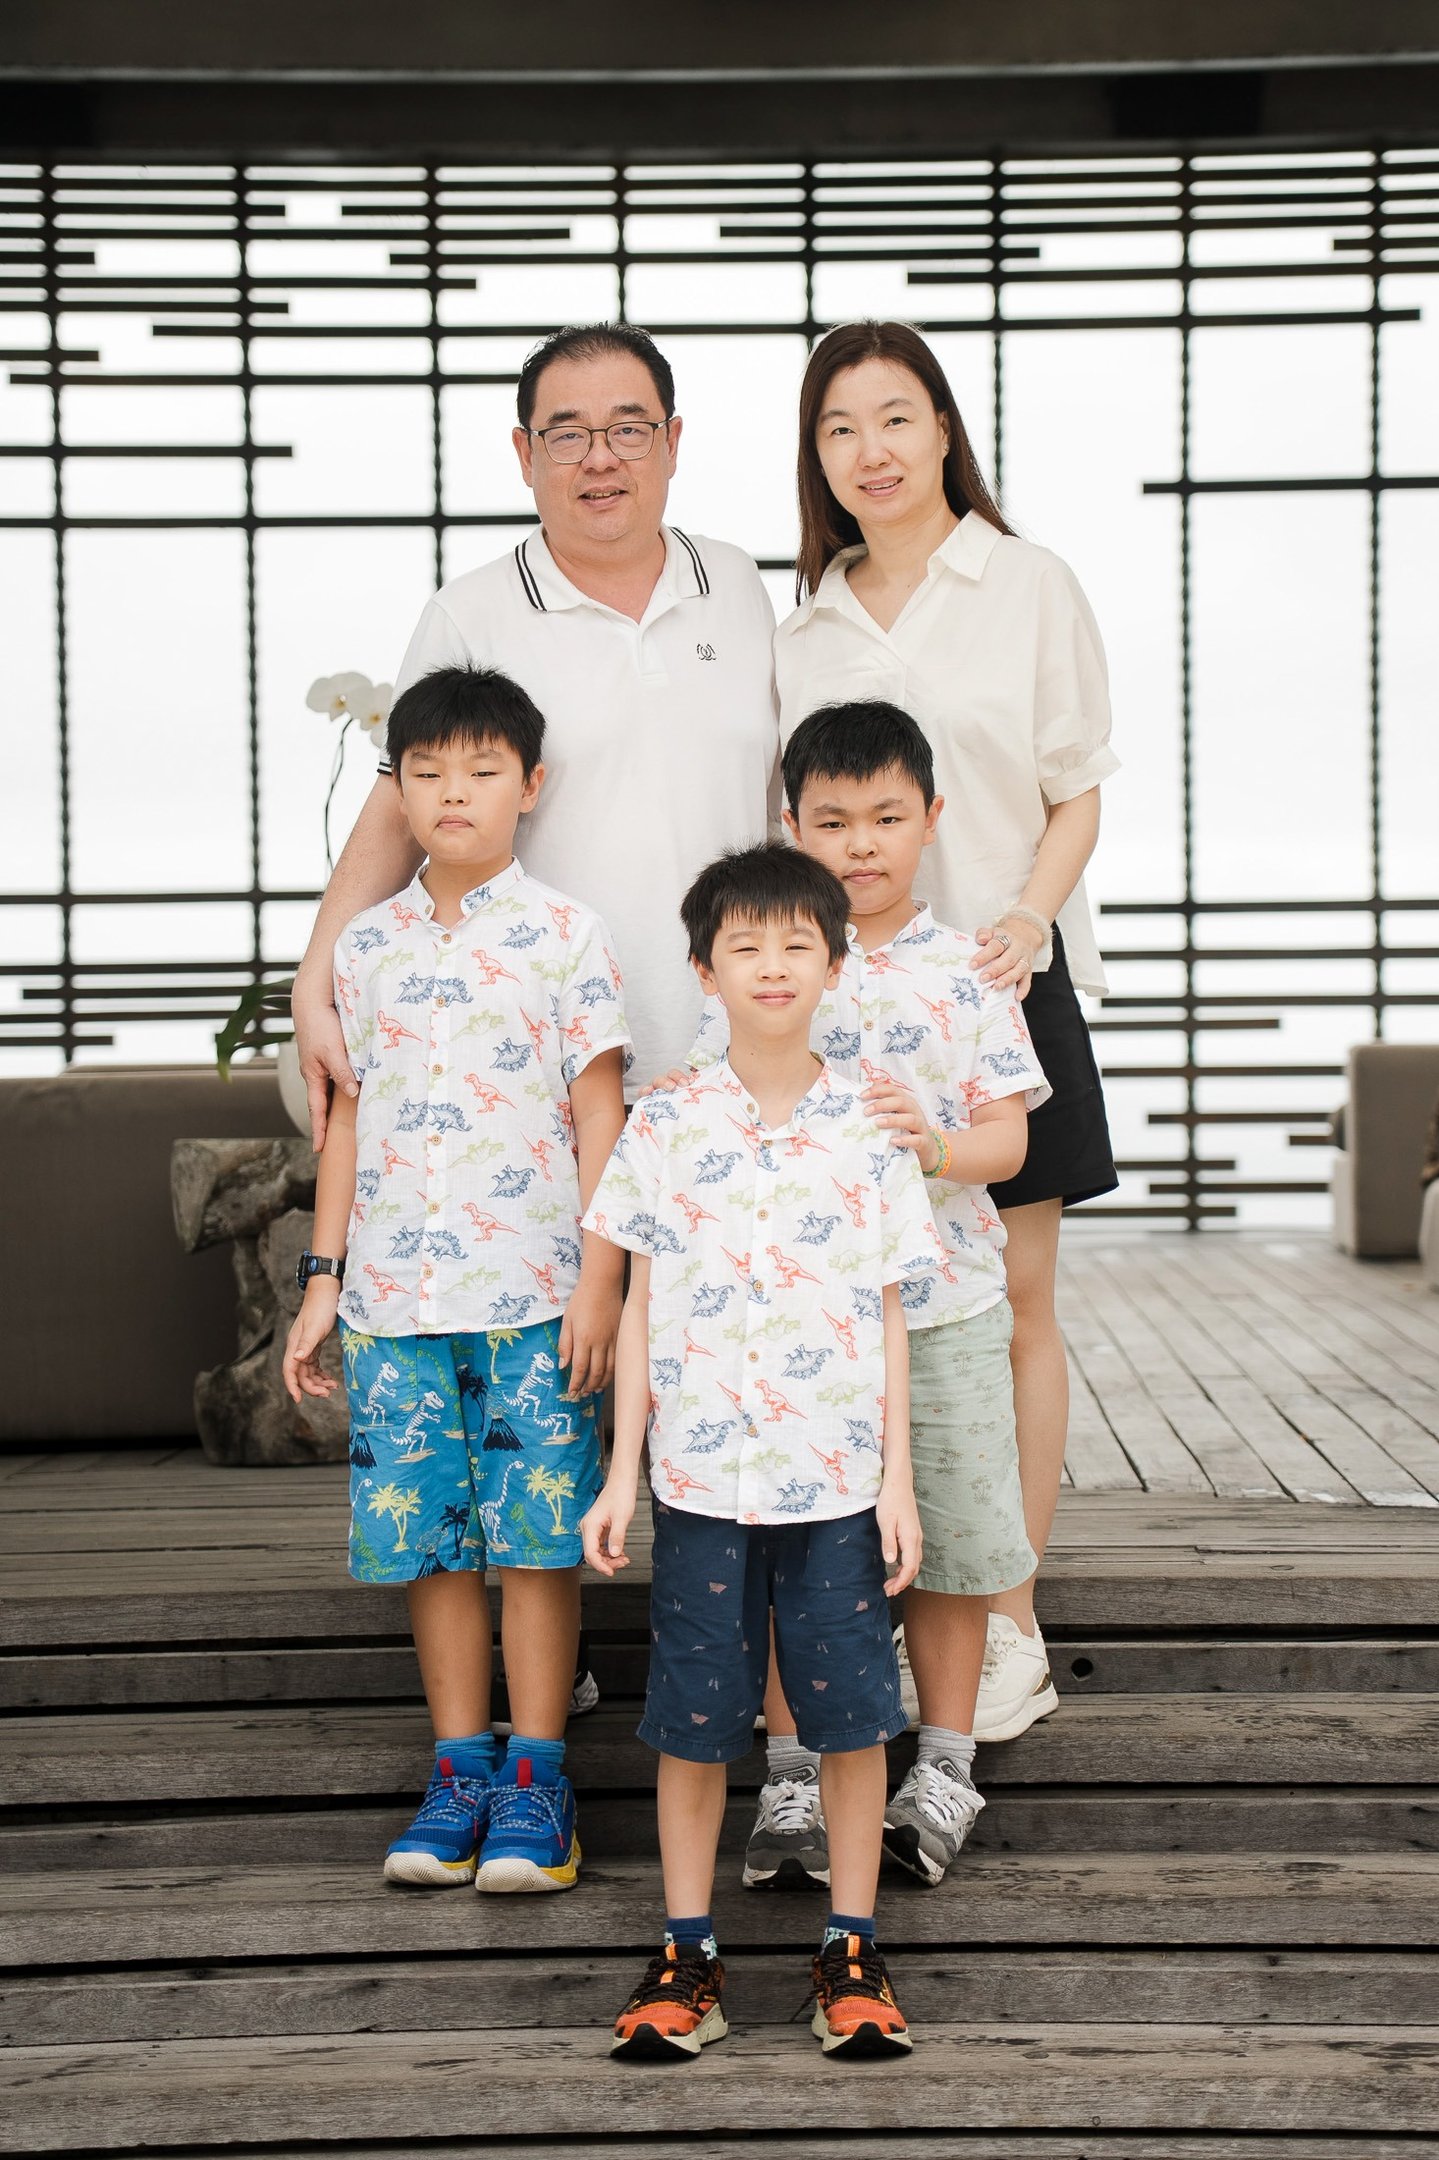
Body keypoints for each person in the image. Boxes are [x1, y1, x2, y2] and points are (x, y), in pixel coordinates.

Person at [775, 319, 1119, 1744]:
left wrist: (1029, 920)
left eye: (897, 417)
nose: (872, 449)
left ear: (943, 431)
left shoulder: (1027, 580)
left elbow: (1079, 783)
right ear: (821, 456)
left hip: (999, 987)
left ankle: (1014, 1615)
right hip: (854, 1023)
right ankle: (914, 1609)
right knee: (883, 1322)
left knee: (1014, 1308)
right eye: (842, 426)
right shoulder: (803, 626)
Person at [580, 843, 945, 2061]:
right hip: (695, 1484)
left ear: (835, 967)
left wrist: (898, 1479)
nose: (772, 965)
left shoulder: (871, 1123)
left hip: (838, 1483)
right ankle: (689, 1955)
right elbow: (634, 1304)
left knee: (848, 1721)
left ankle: (850, 1948)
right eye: (746, 945)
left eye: (798, 944)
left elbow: (891, 1309)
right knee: (693, 1722)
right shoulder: (667, 1121)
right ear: (703, 969)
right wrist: (621, 1471)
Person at [282, 663, 629, 1895]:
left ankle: (539, 1784)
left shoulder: (566, 936)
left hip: (536, 1297)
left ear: (530, 787)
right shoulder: (361, 951)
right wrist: (322, 1282)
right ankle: (457, 1773)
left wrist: (603, 1284)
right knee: (427, 1547)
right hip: (392, 1307)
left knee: (534, 1544)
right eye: (425, 772)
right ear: (399, 789)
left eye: (482, 771)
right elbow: (348, 1129)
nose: (453, 793)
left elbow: (601, 1122)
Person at [689, 704, 1049, 1890]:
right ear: (792, 823)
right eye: (832, 820)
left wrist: (934, 1145)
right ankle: (792, 1769)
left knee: (947, 1542)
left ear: (931, 822)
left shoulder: (968, 969)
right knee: (806, 1546)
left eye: (888, 817)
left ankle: (943, 1764)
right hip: (796, 1335)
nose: (862, 843)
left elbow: (1006, 1140)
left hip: (942, 1310)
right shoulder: (774, 956)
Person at [290, 320, 779, 1146]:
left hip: (741, 1051)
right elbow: (397, 808)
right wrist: (315, 982)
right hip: (544, 1062)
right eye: (567, 435)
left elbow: (780, 809)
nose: (601, 458)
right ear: (525, 455)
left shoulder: (735, 583)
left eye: (629, 429)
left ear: (671, 442)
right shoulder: (469, 614)